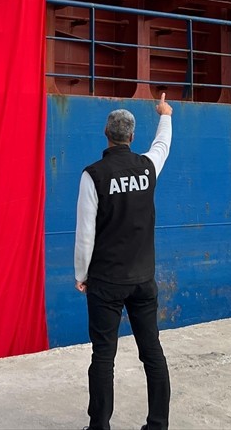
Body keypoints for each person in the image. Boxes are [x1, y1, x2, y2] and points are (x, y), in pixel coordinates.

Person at [75, 93, 174, 430]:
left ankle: (99, 426)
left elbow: (86, 232)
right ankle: (158, 423)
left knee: (103, 356)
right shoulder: (148, 167)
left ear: (106, 133)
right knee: (153, 353)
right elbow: (162, 145)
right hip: (143, 279)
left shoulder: (94, 175)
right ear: (132, 137)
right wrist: (165, 114)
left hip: (105, 281)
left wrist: (81, 273)